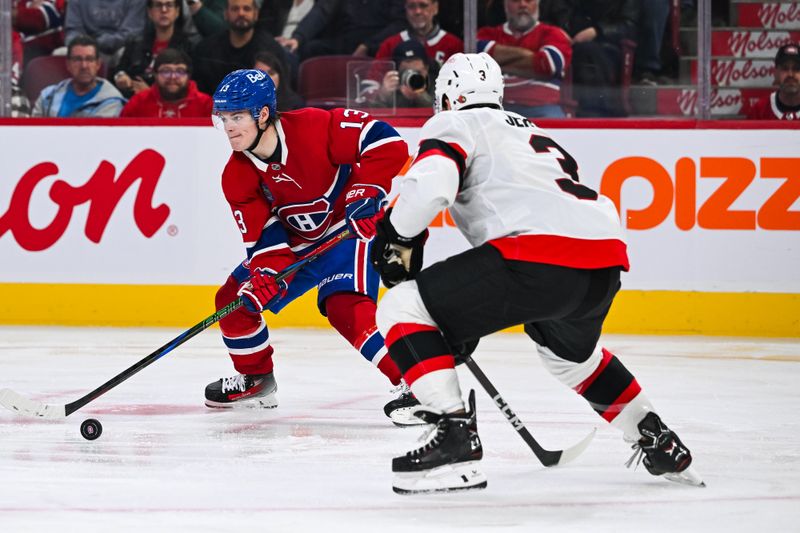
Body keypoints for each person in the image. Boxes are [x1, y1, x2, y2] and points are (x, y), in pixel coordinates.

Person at [371, 52, 703, 494]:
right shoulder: (536, 134)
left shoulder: (455, 124)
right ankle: (656, 437)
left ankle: (455, 436)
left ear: (448, 98)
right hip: (602, 264)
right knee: (571, 360)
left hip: (536, 259)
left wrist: (397, 235)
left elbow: (431, 189)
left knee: (400, 307)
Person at [205, 69, 423, 426]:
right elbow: (265, 239)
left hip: (347, 229)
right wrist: (265, 274)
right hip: (298, 245)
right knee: (232, 301)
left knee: (343, 304)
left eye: (237, 117)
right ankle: (257, 380)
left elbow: (387, 144)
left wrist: (365, 190)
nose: (229, 127)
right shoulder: (237, 175)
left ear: (262, 114)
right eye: (224, 118)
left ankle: (418, 382)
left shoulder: (313, 126)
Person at [541, 0, 639, 117]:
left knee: (588, 52)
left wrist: (597, 31)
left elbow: (628, 26)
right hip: (565, 45)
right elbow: (543, 18)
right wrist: (557, 33)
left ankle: (594, 113)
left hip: (607, 46)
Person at [476, 0, 571, 118]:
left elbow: (548, 65)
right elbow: (477, 61)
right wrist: (533, 58)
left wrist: (498, 64)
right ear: (505, 5)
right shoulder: (487, 33)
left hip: (544, 107)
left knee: (554, 122)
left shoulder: (553, 34)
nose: (522, 5)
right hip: (497, 108)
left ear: (537, 3)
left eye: (529, 0)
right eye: (515, 0)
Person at [192, 0, 292, 95]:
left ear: (256, 14)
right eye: (235, 9)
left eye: (247, 9)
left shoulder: (271, 49)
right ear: (226, 14)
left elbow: (282, 92)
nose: (241, 13)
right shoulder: (206, 49)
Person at [113, 0, 195, 99]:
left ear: (177, 11)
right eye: (158, 5)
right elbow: (118, 71)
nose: (164, 10)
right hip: (132, 100)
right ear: (150, 12)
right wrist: (121, 77)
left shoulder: (189, 47)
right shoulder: (135, 43)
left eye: (169, 5)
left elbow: (189, 86)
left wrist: (150, 93)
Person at [32, 34, 126, 117]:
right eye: (77, 59)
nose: (84, 66)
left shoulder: (112, 102)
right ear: (68, 65)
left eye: (89, 59)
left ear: (98, 64)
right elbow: (34, 133)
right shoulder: (47, 96)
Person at [277, 0, 406, 59]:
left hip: (377, 47)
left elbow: (399, 24)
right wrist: (298, 38)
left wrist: (367, 45)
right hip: (344, 44)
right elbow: (322, 12)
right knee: (309, 49)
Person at [120, 48, 213, 117]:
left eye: (180, 71)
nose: (172, 77)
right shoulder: (138, 103)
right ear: (155, 74)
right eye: (166, 71)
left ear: (188, 75)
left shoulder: (206, 105)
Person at [374, 0, 463, 68]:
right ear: (405, 9)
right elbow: (371, 85)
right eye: (411, 6)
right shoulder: (390, 45)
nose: (417, 11)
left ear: (435, 8)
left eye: (423, 5)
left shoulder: (454, 45)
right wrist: (384, 89)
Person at [64, 0, 148, 65]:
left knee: (127, 54)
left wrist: (96, 44)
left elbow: (131, 32)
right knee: (61, 53)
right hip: (85, 46)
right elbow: (73, 30)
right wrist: (84, 46)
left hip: (120, 47)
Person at [367, 39, 434, 109]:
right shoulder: (393, 85)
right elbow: (373, 114)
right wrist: (383, 95)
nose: (412, 77)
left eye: (417, 72)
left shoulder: (438, 81)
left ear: (426, 68)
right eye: (406, 72)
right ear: (396, 70)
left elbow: (441, 112)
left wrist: (421, 97)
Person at [744, 43, 800, 120]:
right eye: (785, 68)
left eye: (797, 69)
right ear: (776, 73)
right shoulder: (759, 110)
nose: (790, 74)